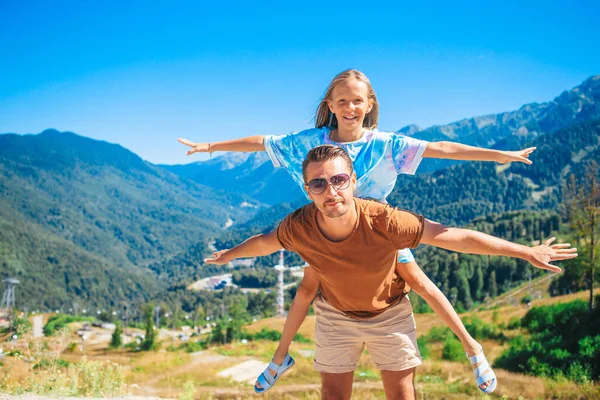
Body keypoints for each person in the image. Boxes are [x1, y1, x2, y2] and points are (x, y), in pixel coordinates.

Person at [178, 69, 536, 393]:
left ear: (370, 105)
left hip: (380, 233)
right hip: (327, 233)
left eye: (357, 100)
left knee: (420, 282)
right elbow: (262, 142)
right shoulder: (309, 142)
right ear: (330, 105)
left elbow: (441, 149)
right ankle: (280, 357)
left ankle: (472, 348)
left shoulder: (385, 144)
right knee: (307, 289)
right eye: (343, 100)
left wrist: (498, 155)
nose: (350, 107)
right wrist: (211, 147)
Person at [205, 145, 576, 399]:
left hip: (390, 314)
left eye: (338, 180)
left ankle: (472, 349)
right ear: (308, 190)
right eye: (318, 183)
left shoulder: (384, 221)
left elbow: (454, 237)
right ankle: (280, 358)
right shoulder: (299, 227)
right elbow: (263, 241)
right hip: (335, 316)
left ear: (353, 181)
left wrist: (525, 251)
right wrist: (228, 256)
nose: (330, 190)